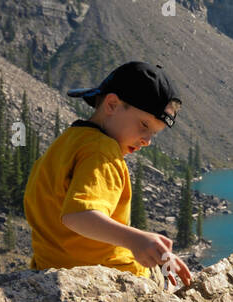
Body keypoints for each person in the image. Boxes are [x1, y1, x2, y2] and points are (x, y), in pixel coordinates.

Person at [24, 61, 192, 288]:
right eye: (144, 124)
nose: (147, 140)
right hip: (107, 277)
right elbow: (78, 215)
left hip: (48, 270)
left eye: (154, 133)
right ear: (111, 105)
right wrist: (136, 239)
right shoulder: (103, 151)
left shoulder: (68, 141)